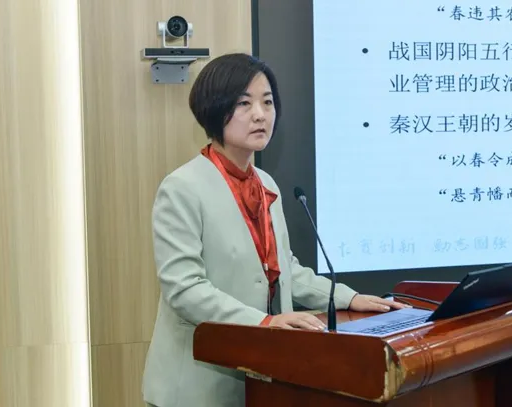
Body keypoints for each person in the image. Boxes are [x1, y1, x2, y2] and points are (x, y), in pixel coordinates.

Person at [142, 53, 406, 407]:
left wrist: (348, 298)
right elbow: (185, 289)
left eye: (267, 102)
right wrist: (264, 322)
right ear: (213, 108)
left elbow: (285, 271)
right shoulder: (182, 187)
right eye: (244, 103)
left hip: (262, 377)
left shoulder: (266, 184)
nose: (260, 115)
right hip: (197, 385)